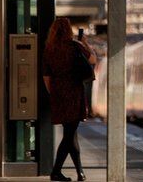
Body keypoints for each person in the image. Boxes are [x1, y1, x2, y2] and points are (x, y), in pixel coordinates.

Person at [43, 18, 96, 181]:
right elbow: (92, 59)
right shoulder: (74, 46)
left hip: (58, 93)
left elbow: (46, 77)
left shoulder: (49, 50)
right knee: (69, 135)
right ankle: (56, 171)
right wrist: (85, 43)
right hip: (74, 92)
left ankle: (80, 172)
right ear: (68, 31)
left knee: (71, 133)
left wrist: (54, 93)